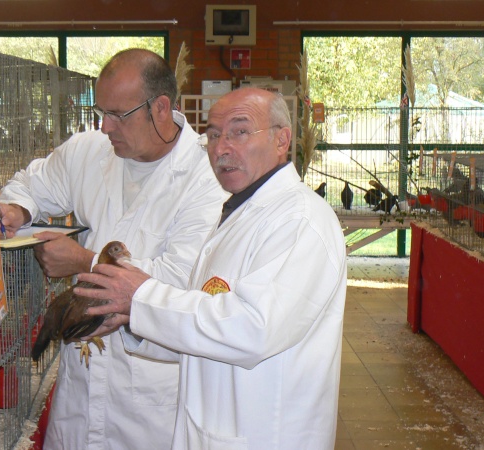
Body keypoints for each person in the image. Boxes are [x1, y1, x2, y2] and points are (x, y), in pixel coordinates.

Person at [0, 48, 227, 449]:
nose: (105, 125)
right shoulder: (89, 151)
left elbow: (183, 279)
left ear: (161, 108)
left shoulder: (205, 177)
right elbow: (29, 185)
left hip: (152, 396)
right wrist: (14, 209)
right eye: (101, 111)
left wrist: (83, 261)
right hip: (81, 387)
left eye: (118, 114)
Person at [77, 87, 347, 449]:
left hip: (266, 436)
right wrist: (134, 319)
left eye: (239, 131)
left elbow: (252, 329)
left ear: (282, 140)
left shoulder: (301, 221)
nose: (221, 148)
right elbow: (204, 332)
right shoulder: (238, 213)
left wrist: (142, 298)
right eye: (214, 135)